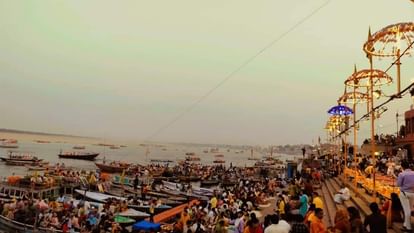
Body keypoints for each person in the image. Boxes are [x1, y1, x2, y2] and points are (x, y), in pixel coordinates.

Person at [397, 160, 414, 232]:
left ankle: (408, 228)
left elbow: (398, 184)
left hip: (404, 193)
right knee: (410, 209)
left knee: (407, 211)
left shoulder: (402, 174)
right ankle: (405, 224)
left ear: (402, 166)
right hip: (413, 193)